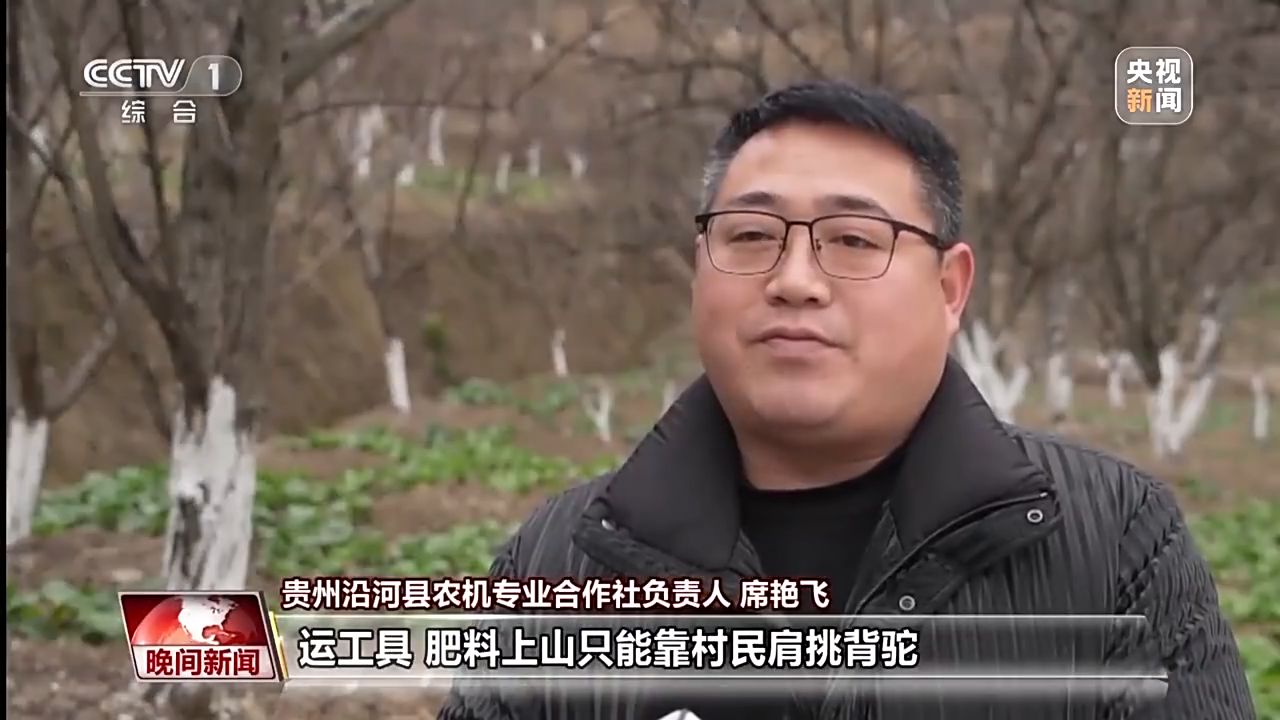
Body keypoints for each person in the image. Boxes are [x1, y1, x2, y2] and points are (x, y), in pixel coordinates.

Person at [437, 81, 1254, 719]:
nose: (794, 281)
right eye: (751, 236)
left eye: (854, 240)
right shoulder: (561, 562)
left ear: (950, 287)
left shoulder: (1114, 540)